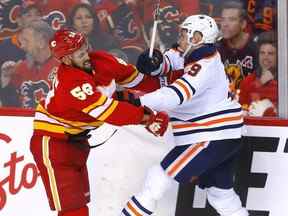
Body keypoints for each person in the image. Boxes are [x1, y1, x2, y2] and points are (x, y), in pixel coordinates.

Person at [29, 28, 169, 216]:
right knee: (73, 210)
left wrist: (160, 71)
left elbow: (137, 83)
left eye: (85, 48)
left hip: (76, 142)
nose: (86, 55)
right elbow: (108, 111)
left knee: (79, 205)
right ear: (66, 59)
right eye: (79, 53)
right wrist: (147, 118)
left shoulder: (101, 61)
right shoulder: (70, 81)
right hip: (53, 145)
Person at [120, 15, 248, 216]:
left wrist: (135, 101)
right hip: (222, 137)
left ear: (196, 38)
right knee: (220, 195)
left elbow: (173, 96)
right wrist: (155, 63)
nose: (179, 37)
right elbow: (170, 61)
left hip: (209, 136)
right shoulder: (193, 53)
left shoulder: (205, 63)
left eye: (184, 33)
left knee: (158, 178)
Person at [10, 20, 59, 108]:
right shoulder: (20, 68)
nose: (22, 46)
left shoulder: (65, 68)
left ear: (41, 42)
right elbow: (9, 105)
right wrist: (5, 80)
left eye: (26, 41)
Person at [217, 0, 258, 100]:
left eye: (231, 19)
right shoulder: (216, 48)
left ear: (243, 24)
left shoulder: (257, 48)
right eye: (223, 19)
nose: (225, 24)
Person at [239, 31, 277, 117]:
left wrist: (269, 112)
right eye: (262, 53)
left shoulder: (283, 82)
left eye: (270, 54)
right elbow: (242, 111)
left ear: (279, 55)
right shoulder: (248, 81)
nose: (265, 58)